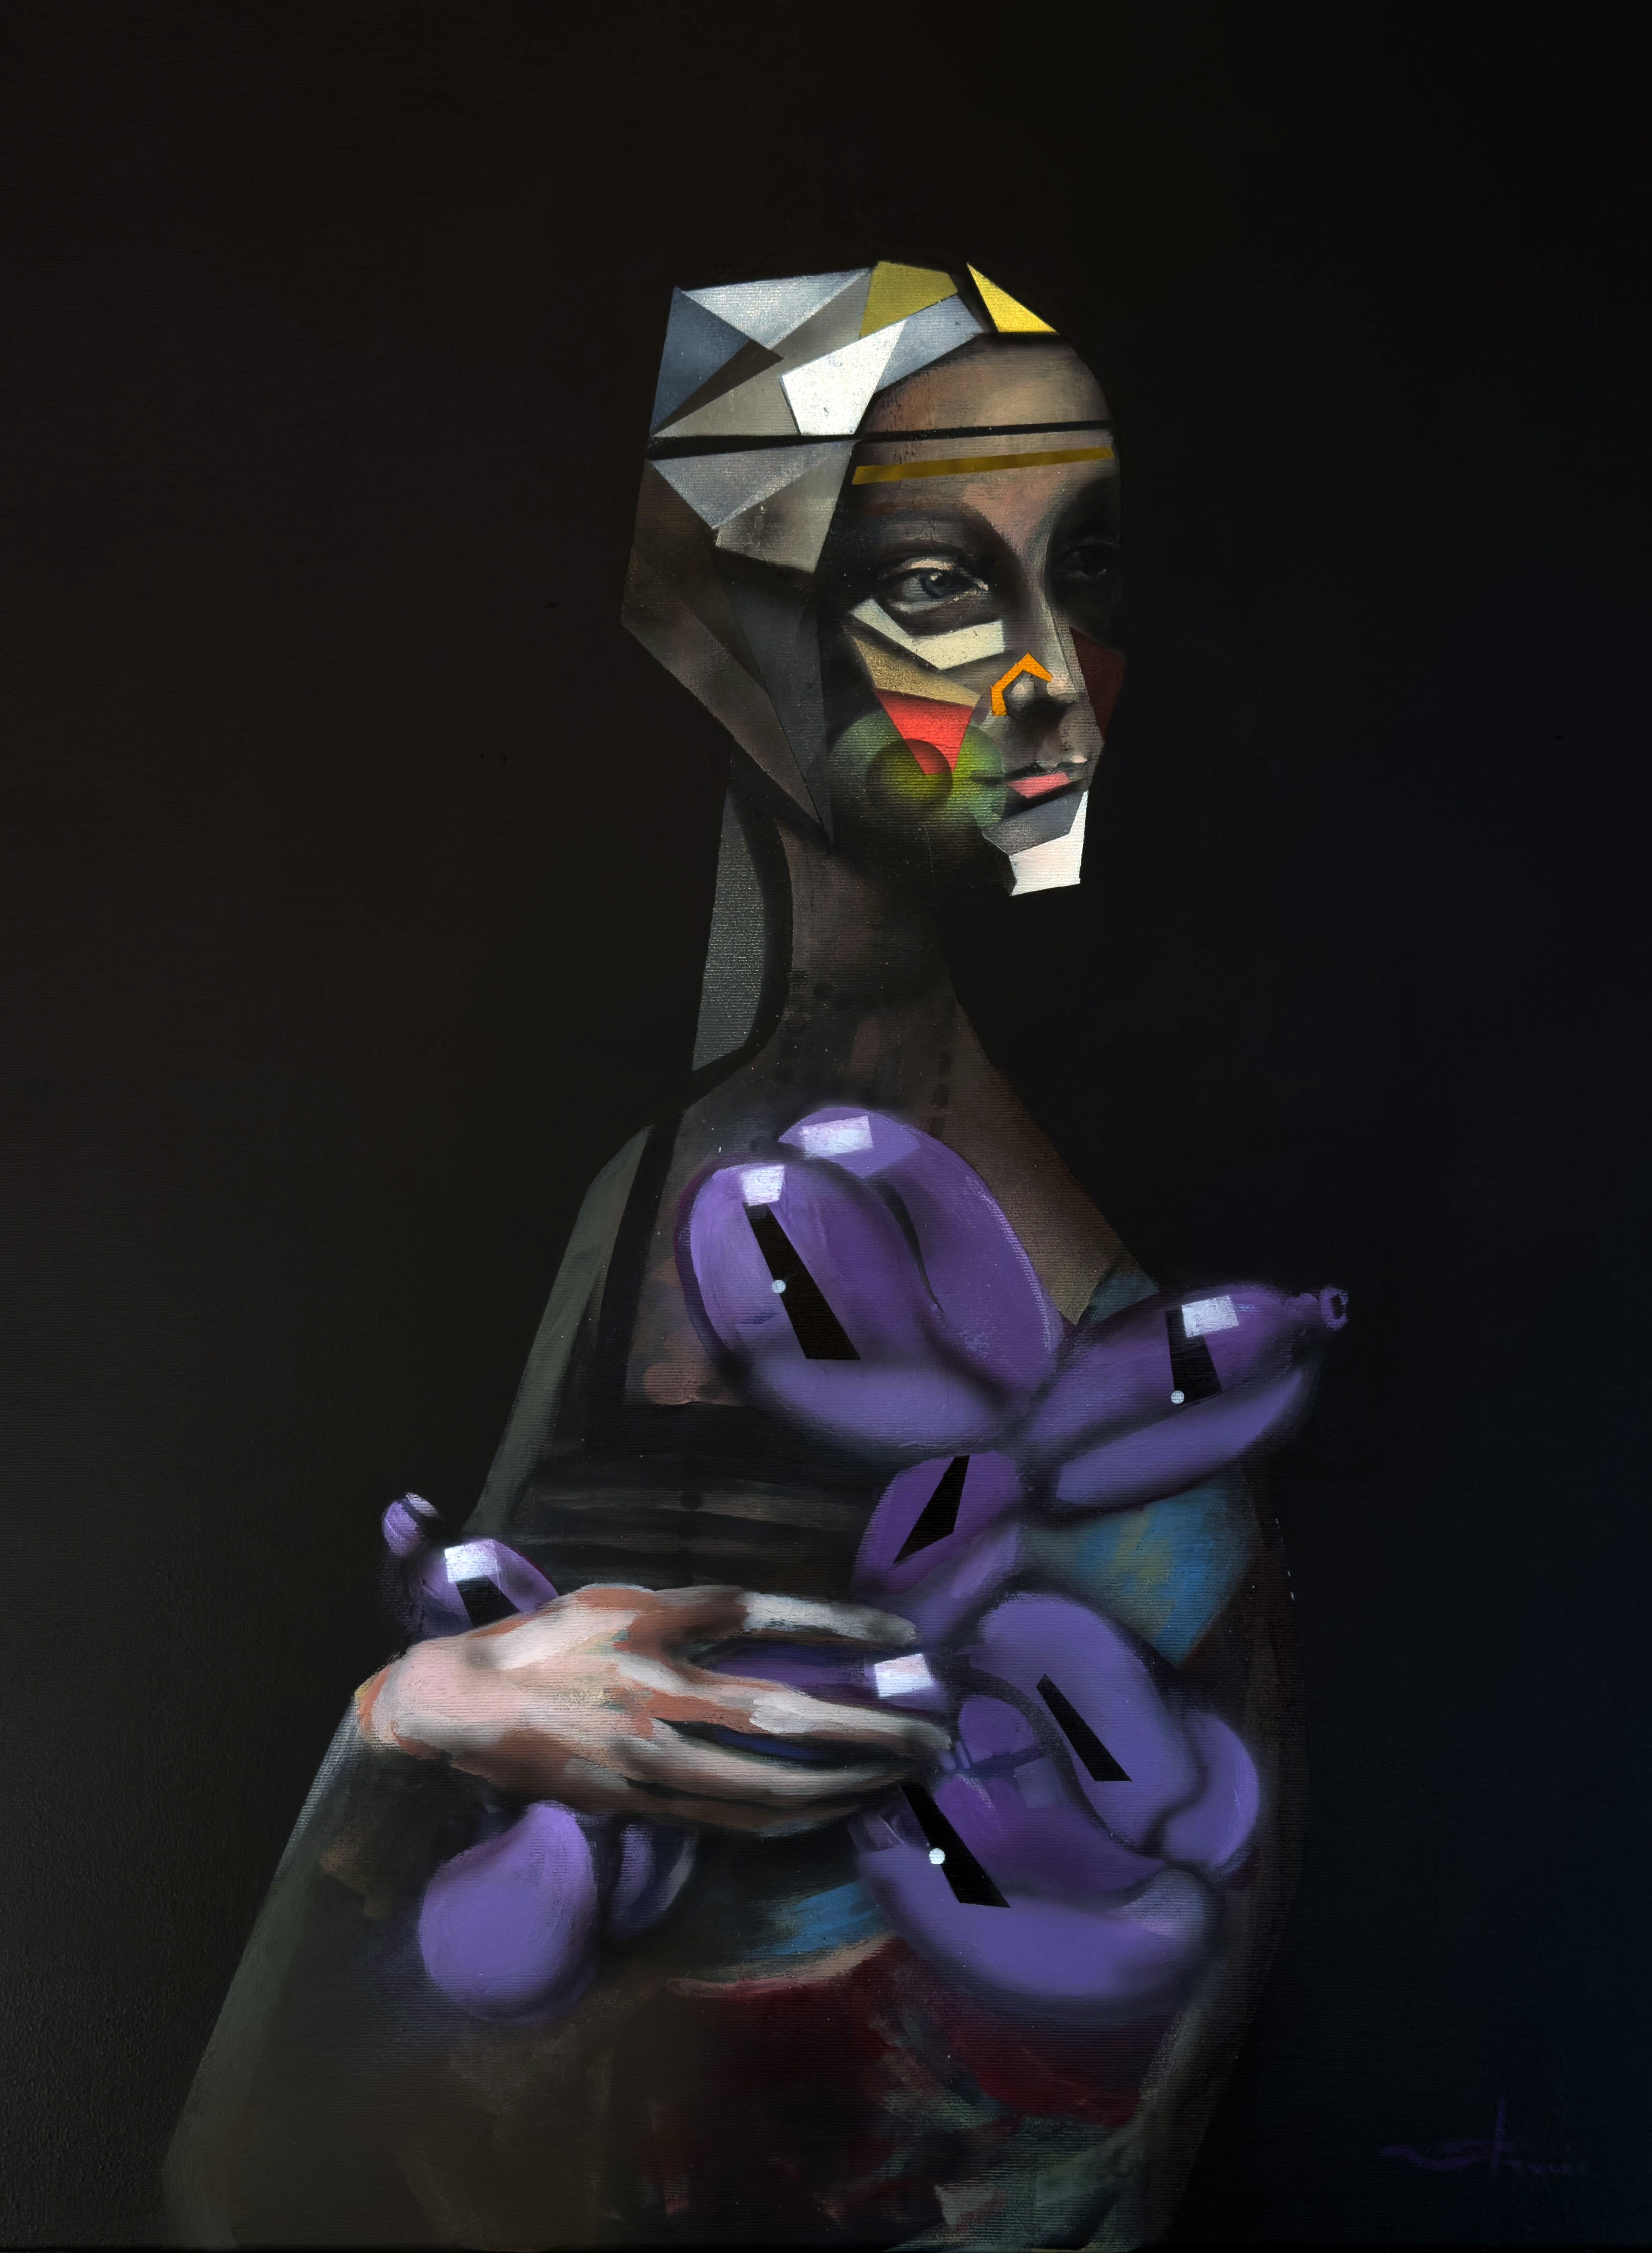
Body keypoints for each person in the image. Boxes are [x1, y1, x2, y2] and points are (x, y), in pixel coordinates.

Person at [167, 263, 1304, 2250]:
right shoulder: (637, 1185)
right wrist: (422, 1715)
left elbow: (1093, 2098)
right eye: (941, 582)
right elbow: (251, 2149)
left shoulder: (1114, 1320)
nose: (1055, 675)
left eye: (1085, 571)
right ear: (730, 622)